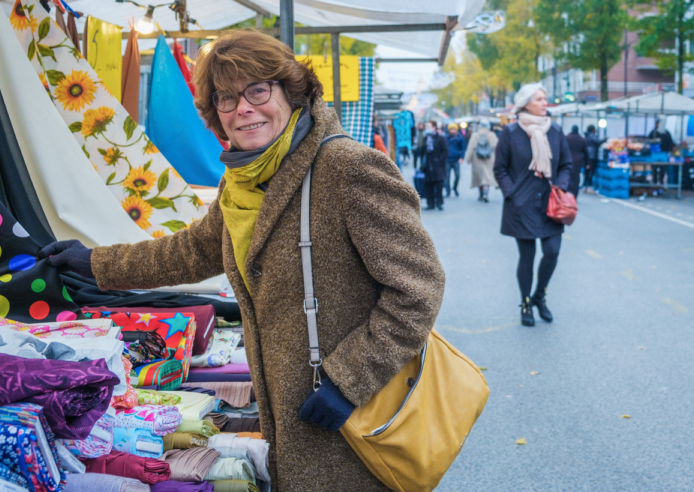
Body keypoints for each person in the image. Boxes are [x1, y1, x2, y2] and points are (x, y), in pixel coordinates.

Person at [39, 29, 445, 491]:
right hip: (289, 413)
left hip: (351, 414)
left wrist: (349, 380)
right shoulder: (244, 180)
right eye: (226, 99)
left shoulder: (348, 169)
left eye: (257, 90)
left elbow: (418, 290)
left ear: (291, 93)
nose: (243, 108)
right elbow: (193, 251)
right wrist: (94, 263)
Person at [493, 83, 572, 327]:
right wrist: (512, 193)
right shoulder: (511, 133)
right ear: (526, 103)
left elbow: (566, 165)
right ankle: (526, 303)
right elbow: (500, 168)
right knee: (526, 257)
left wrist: (560, 186)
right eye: (538, 99)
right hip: (522, 205)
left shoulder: (555, 131)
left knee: (552, 251)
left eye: (544, 98)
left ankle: (540, 295)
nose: (543, 102)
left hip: (550, 204)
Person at [464, 119, 498, 202]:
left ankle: (481, 194)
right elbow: (497, 147)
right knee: (487, 177)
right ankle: (486, 193)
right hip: (489, 159)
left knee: (480, 177)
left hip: (477, 158)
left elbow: (471, 148)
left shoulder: (475, 135)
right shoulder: (491, 135)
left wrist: (468, 159)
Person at [421, 119, 449, 210]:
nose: (426, 128)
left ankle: (439, 203)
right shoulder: (425, 138)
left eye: (428, 126)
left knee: (439, 184)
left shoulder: (440, 138)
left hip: (438, 165)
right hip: (428, 165)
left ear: (434, 127)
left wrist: (440, 161)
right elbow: (422, 151)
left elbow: (445, 151)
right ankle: (430, 203)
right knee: (428, 184)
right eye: (426, 127)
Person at [566, 125, 588, 198]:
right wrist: (588, 163)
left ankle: (568, 192)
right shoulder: (582, 139)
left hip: (568, 159)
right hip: (578, 161)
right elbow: (586, 152)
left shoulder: (567, 138)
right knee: (576, 177)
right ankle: (574, 193)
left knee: (568, 176)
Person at [445, 122, 465, 197]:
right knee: (447, 177)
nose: (452, 131)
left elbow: (463, 149)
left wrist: (461, 157)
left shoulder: (460, 138)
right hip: (447, 159)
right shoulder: (446, 138)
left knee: (457, 175)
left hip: (456, 159)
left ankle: (455, 188)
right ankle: (448, 190)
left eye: (454, 129)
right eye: (451, 129)